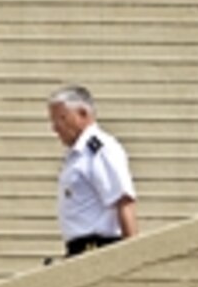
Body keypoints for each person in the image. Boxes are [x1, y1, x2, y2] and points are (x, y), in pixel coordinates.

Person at [48, 85, 137, 257]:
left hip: (97, 249)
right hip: (80, 250)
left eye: (61, 119)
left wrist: (131, 257)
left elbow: (124, 201)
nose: (55, 128)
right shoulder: (77, 155)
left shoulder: (100, 150)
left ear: (82, 114)